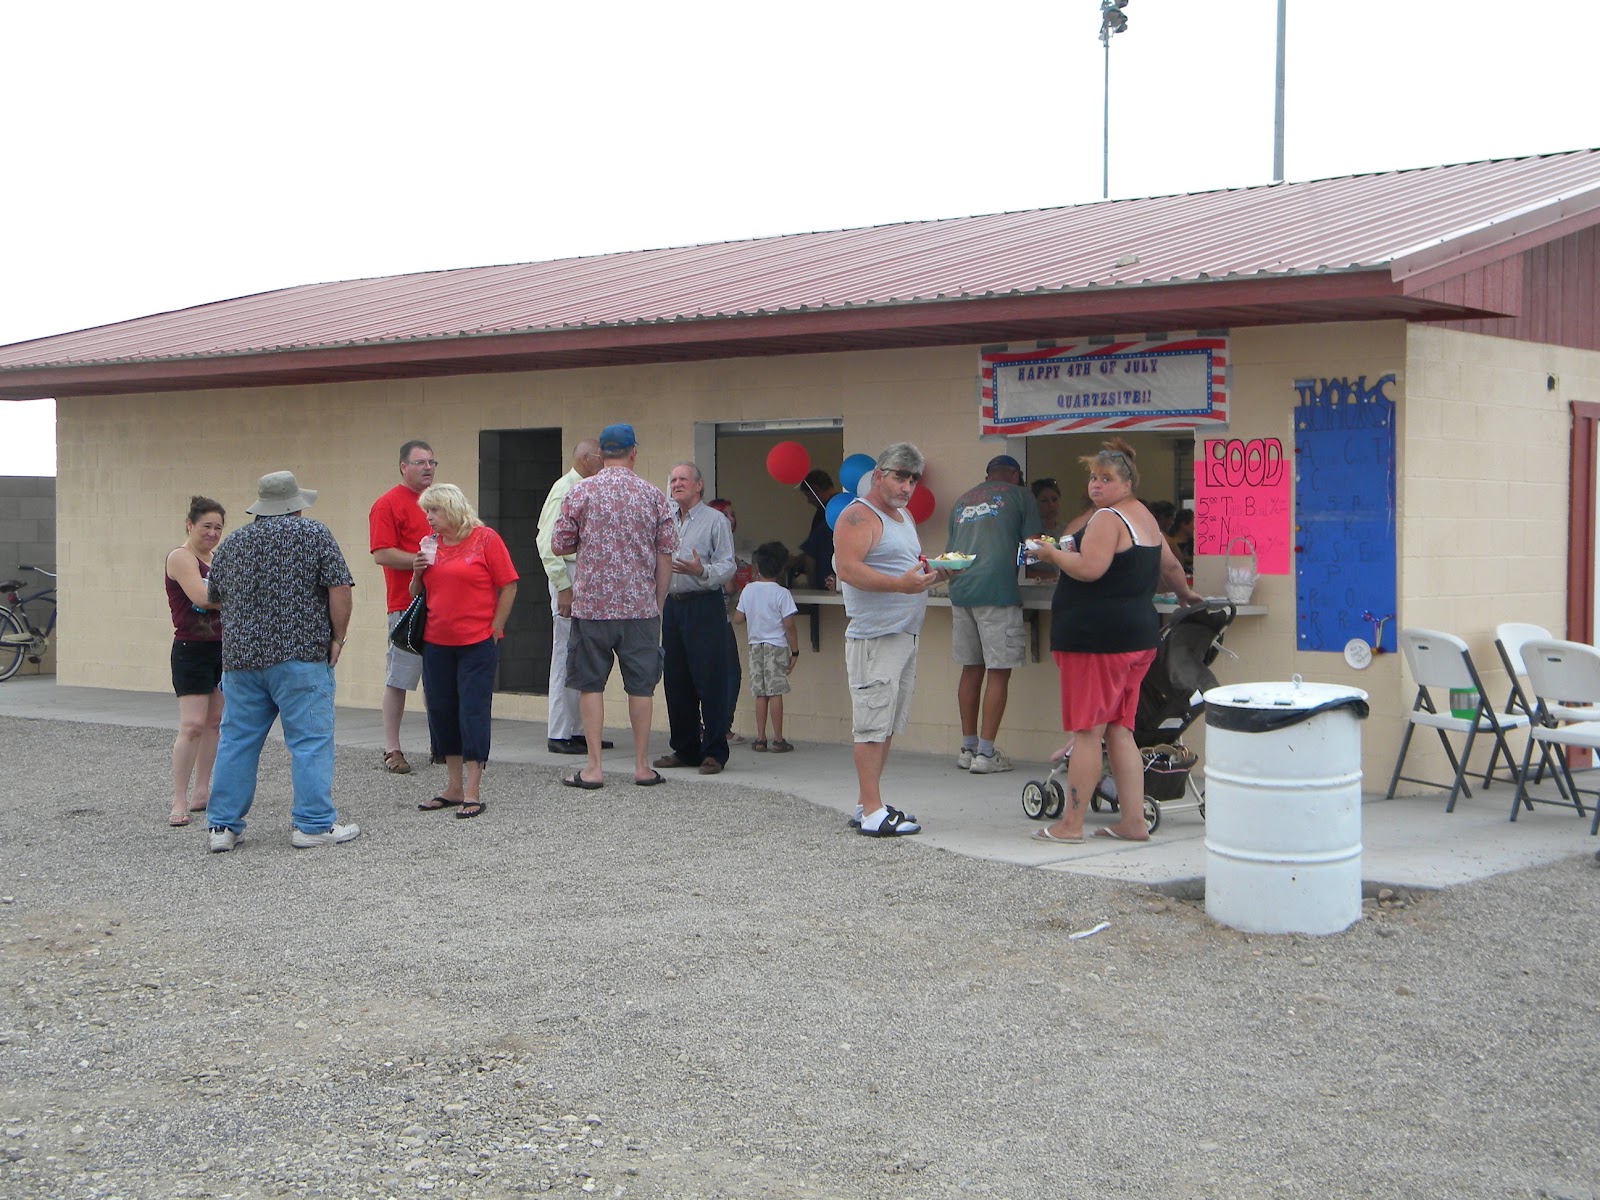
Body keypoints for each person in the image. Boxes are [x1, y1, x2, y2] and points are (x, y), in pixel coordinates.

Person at [1024, 439, 1201, 845]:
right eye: (1093, 477)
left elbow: (1089, 569)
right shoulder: (1145, 517)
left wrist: (1049, 555)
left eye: (1106, 478)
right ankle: (1133, 822)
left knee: (1087, 731)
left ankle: (1069, 825)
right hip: (1137, 637)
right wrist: (1187, 596)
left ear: (1127, 482)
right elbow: (1171, 565)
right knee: (1120, 731)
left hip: (1096, 639)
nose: (1096, 485)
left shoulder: (1107, 519)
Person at [204, 471, 357, 853]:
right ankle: (313, 824)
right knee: (309, 741)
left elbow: (215, 596)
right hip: (301, 655)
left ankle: (222, 826)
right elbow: (339, 588)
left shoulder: (232, 543)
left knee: (236, 741)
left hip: (241, 659)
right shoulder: (314, 534)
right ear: (295, 506)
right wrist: (337, 637)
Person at [550, 423, 676, 788]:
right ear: (633, 452)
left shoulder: (581, 492)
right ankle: (641, 765)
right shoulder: (653, 496)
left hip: (592, 607)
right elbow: (665, 554)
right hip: (640, 608)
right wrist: (658, 602)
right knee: (641, 687)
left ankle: (593, 767)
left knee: (590, 685)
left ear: (601, 455)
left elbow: (559, 544)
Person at [833, 443, 947, 837]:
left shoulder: (903, 516)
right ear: (879, 475)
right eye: (900, 475)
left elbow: (905, 566)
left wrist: (937, 572)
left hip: (903, 633)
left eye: (913, 478)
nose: (907, 485)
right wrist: (901, 584)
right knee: (870, 725)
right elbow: (848, 570)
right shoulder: (857, 516)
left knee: (885, 725)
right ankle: (871, 813)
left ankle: (870, 803)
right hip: (874, 637)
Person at [410, 484, 519, 820]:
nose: (429, 518)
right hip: (436, 641)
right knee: (441, 710)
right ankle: (453, 786)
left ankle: (473, 788)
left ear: (452, 509)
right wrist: (417, 571)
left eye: (434, 511)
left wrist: (496, 628)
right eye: (427, 511)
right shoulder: (430, 544)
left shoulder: (485, 539)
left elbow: (509, 584)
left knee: (472, 710)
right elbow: (417, 592)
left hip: (476, 642)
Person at [946, 454, 1042, 775]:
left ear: (988, 475)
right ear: (1016, 475)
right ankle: (986, 755)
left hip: (961, 591)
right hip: (997, 592)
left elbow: (952, 554)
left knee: (971, 669)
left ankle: (967, 748)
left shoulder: (962, 501)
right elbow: (1034, 547)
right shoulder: (1020, 495)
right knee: (999, 671)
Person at [652, 462, 736, 776]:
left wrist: (701, 571)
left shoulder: (716, 521)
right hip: (673, 605)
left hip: (704, 604)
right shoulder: (664, 521)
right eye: (672, 479)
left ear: (699, 485)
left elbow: (727, 566)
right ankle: (685, 748)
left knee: (710, 678)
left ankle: (714, 751)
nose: (676, 484)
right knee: (676, 679)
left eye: (683, 479)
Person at [537, 438, 613, 755]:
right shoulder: (565, 488)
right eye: (601, 458)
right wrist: (564, 587)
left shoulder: (589, 488)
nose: (605, 464)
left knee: (581, 657)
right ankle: (559, 732)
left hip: (585, 579)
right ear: (585, 459)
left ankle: (580, 730)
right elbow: (547, 543)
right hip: (568, 578)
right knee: (564, 657)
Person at [368, 439, 436, 774]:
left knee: (439, 678)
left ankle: (442, 743)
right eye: (421, 462)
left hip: (444, 603)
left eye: (432, 463)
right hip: (406, 606)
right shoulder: (388, 504)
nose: (428, 468)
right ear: (403, 466)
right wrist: (420, 562)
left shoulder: (437, 503)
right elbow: (382, 553)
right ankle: (392, 748)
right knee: (400, 677)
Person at [165, 495, 225, 827]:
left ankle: (202, 791)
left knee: (215, 722)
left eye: (218, 527)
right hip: (191, 648)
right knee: (192, 725)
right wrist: (237, 595)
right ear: (190, 525)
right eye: (206, 526)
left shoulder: (217, 559)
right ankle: (178, 799)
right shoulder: (180, 557)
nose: (212, 533)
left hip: (221, 647)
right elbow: (202, 597)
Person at [732, 541, 800, 753]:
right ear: (781, 569)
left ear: (757, 568)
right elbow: (789, 625)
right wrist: (795, 651)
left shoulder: (749, 591)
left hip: (755, 647)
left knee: (760, 694)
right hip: (776, 646)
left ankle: (760, 738)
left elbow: (738, 619)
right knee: (775, 693)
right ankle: (778, 739)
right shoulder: (782, 594)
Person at [706, 497, 747, 744]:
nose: (731, 519)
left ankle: (707, 725)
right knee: (730, 673)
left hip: (707, 614)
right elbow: (729, 585)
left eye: (732, 514)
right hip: (718, 616)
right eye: (726, 514)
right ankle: (723, 727)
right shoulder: (721, 543)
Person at [791, 468, 839, 589]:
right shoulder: (845, 505)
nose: (808, 501)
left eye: (809, 496)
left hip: (826, 581)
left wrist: (812, 586)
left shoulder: (824, 512)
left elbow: (812, 552)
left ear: (816, 490)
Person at [1167, 507, 1196, 574]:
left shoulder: (1195, 544)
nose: (1195, 527)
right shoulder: (1170, 544)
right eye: (1193, 523)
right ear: (1184, 524)